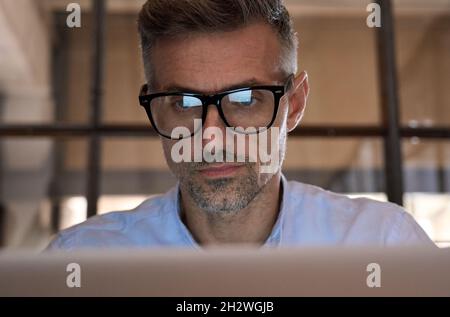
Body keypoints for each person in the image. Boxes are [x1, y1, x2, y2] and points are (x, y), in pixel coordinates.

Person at [46, 0, 434, 251]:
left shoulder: (383, 245)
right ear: (155, 110)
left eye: (245, 100)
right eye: (183, 102)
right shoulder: (83, 261)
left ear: (294, 104)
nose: (212, 136)